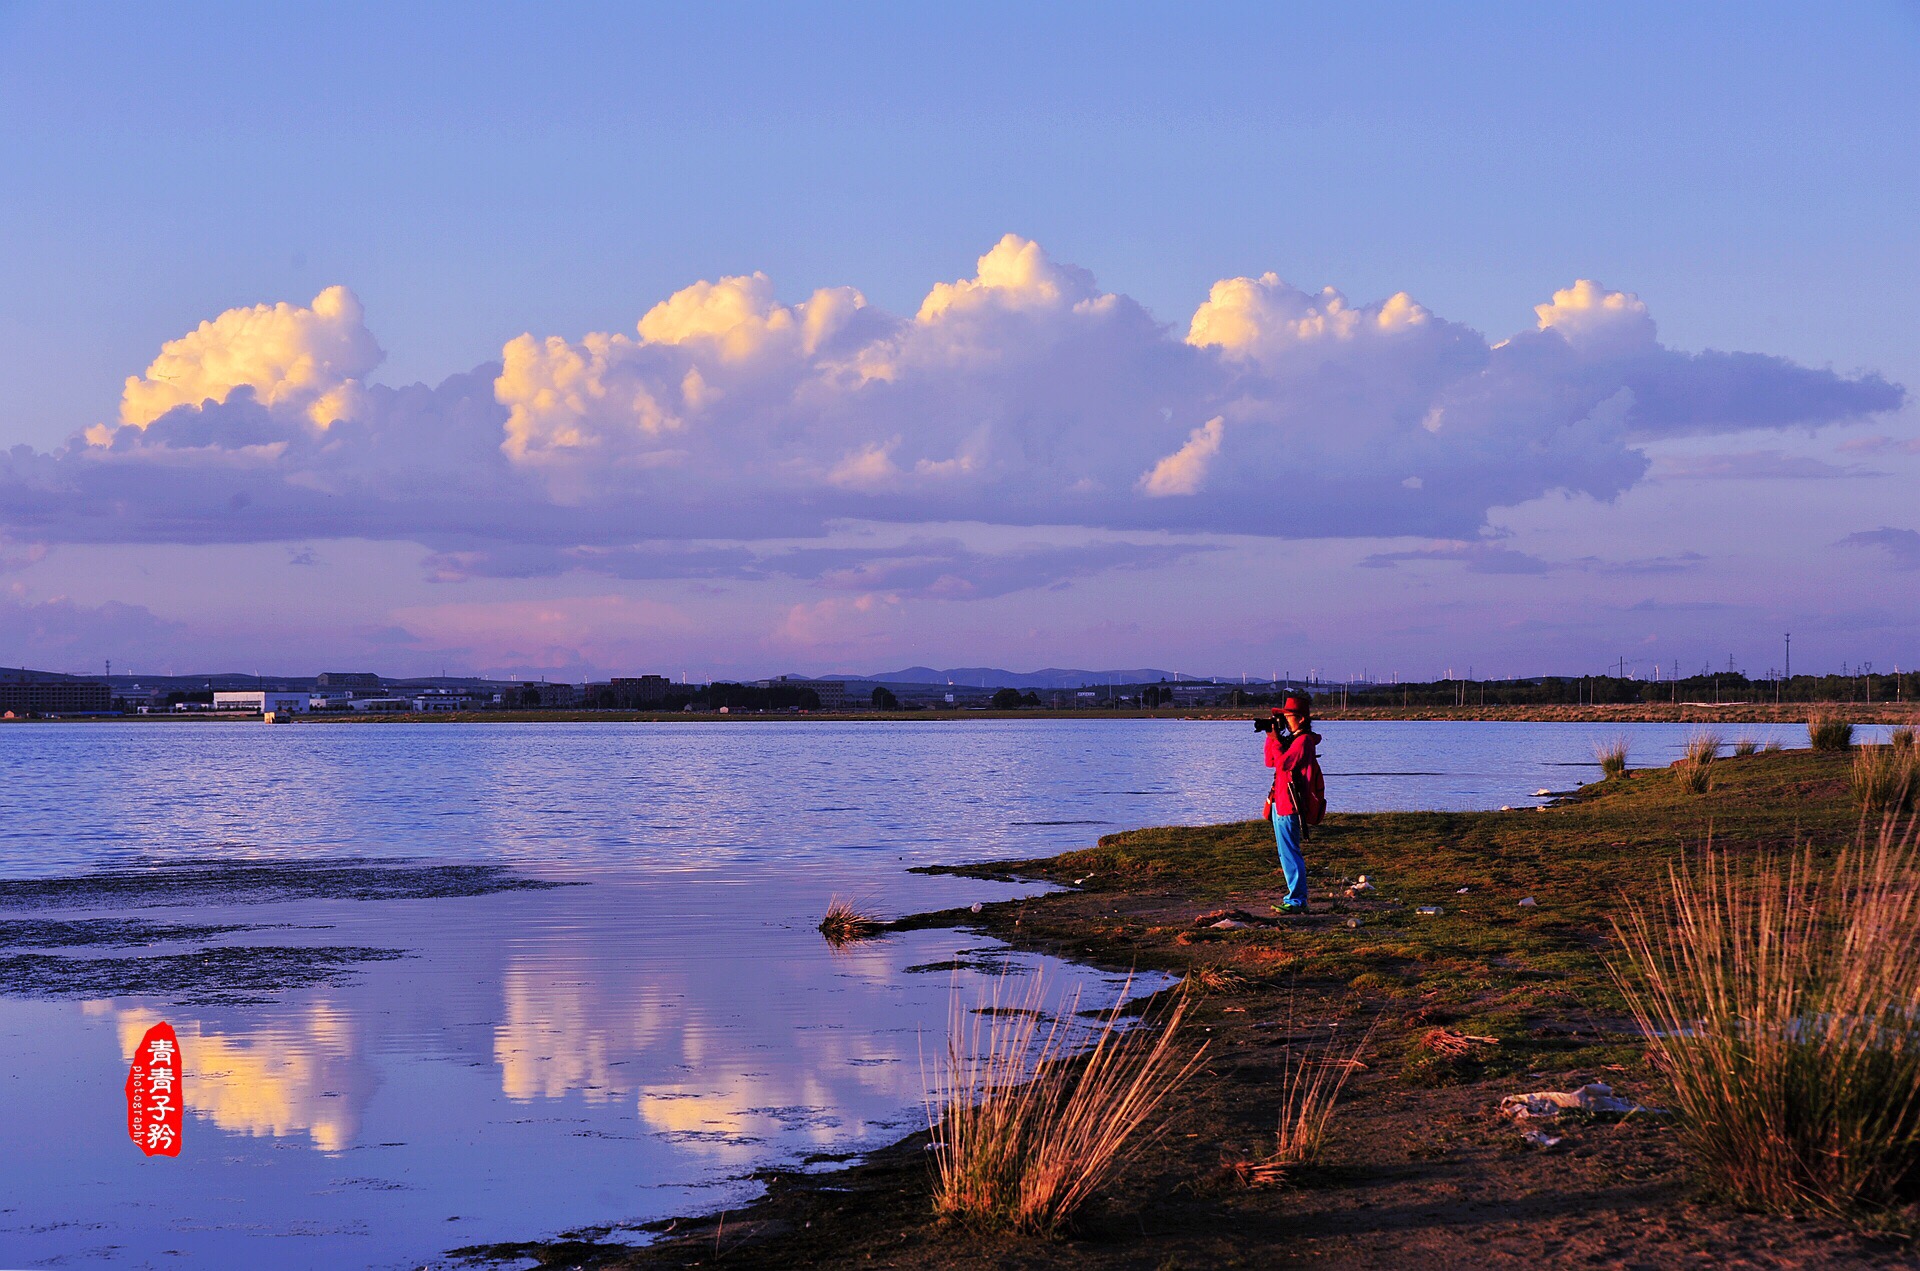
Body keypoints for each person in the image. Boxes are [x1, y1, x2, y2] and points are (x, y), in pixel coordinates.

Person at [1262, 695, 1322, 913]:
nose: (1285, 721)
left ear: (1302, 719)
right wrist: (1272, 737)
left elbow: (1284, 763)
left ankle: (1297, 900)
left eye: (1288, 717)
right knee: (1284, 851)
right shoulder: (1291, 740)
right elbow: (1270, 761)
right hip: (1280, 801)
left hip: (1290, 803)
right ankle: (1295, 897)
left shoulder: (1304, 741)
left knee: (1290, 851)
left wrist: (1276, 739)